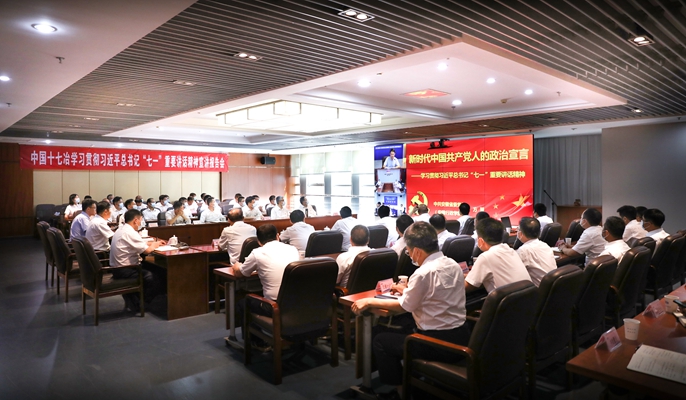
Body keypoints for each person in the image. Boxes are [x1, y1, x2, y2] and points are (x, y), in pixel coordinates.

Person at [351, 222, 470, 399]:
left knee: (380, 341)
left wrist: (368, 301)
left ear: (417, 251)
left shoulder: (423, 273)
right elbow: (433, 294)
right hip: (462, 336)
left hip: (436, 344)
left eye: (409, 251)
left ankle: (402, 392)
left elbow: (403, 306)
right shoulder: (451, 264)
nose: (410, 255)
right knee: (398, 328)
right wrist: (406, 289)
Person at [109, 209, 166, 312]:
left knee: (156, 268)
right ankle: (141, 303)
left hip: (118, 267)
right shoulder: (130, 232)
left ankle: (137, 299)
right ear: (135, 220)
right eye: (140, 220)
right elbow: (147, 251)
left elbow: (138, 243)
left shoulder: (122, 229)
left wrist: (151, 243)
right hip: (125, 269)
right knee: (154, 276)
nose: (140, 223)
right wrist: (154, 244)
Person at [231, 224, 299, 309]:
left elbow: (239, 274)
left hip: (273, 305)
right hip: (295, 302)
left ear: (258, 241)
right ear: (278, 236)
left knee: (240, 303)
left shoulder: (257, 253)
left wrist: (237, 265)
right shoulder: (293, 249)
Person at [465, 218, 531, 293]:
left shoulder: (486, 257)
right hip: (526, 298)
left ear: (480, 241)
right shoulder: (511, 251)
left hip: (506, 299)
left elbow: (468, 286)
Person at [515, 217, 557, 287]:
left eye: (518, 229)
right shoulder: (545, 245)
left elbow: (514, 272)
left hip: (539, 290)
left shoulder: (524, 250)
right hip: (552, 287)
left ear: (521, 233)